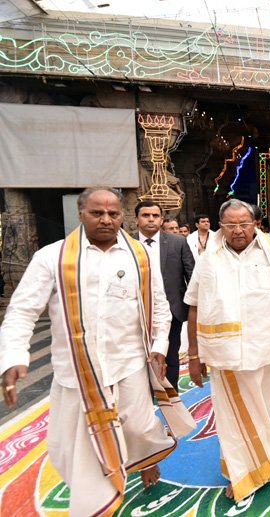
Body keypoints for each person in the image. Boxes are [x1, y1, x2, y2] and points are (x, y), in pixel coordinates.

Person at [0, 187, 194, 516]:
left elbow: (159, 305)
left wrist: (160, 346)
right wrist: (14, 357)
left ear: (122, 216)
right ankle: (96, 504)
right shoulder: (52, 257)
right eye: (97, 213)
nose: (106, 219)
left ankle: (142, 460)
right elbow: (21, 311)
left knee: (140, 428)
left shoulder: (139, 256)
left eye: (113, 213)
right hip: (77, 370)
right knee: (77, 450)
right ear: (80, 214)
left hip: (129, 363)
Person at [184, 199, 270, 502]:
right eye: (230, 224)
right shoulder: (208, 258)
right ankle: (243, 473)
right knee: (234, 415)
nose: (238, 230)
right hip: (226, 352)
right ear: (220, 226)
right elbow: (194, 304)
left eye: (244, 224)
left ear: (255, 224)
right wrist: (193, 354)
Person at [134, 200, 195, 389]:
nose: (151, 219)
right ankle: (144, 395)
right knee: (138, 358)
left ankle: (172, 394)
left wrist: (193, 308)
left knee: (170, 355)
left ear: (161, 219)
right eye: (145, 215)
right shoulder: (127, 244)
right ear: (136, 219)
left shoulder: (178, 243)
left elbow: (192, 275)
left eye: (155, 216)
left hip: (172, 309)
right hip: (137, 312)